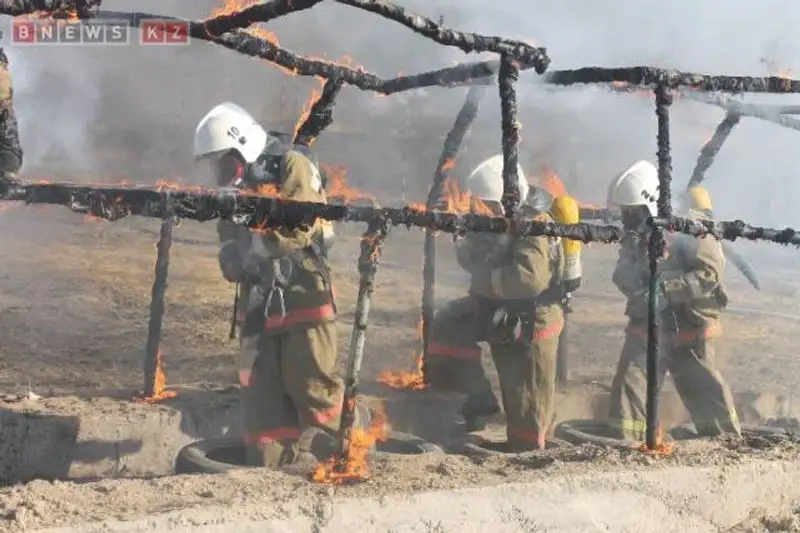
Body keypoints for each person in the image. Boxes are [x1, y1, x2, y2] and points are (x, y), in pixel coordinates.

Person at [193, 101, 353, 469]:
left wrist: (257, 249)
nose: (220, 173)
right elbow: (228, 235)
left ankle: (355, 449)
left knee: (313, 388)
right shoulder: (237, 188)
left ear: (242, 146)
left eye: (223, 162)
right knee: (260, 399)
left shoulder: (293, 167)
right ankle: (271, 475)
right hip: (256, 304)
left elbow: (301, 224)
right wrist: (233, 259)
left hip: (303, 294)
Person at [434, 154, 564, 450]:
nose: (487, 209)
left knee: (526, 400)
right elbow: (483, 258)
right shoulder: (504, 220)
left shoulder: (535, 225)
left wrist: (483, 279)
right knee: (450, 325)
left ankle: (530, 454)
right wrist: (465, 248)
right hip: (503, 311)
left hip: (533, 320)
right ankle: (477, 401)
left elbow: (529, 278)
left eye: (490, 204)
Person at [606, 160, 741, 441]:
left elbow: (709, 274)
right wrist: (636, 286)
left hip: (691, 324)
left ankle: (726, 443)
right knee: (631, 384)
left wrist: (665, 291)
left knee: (701, 387)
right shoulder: (638, 232)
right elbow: (622, 269)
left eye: (632, 211)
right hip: (649, 323)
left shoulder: (691, 227)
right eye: (626, 211)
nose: (628, 217)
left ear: (650, 202)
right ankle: (626, 444)